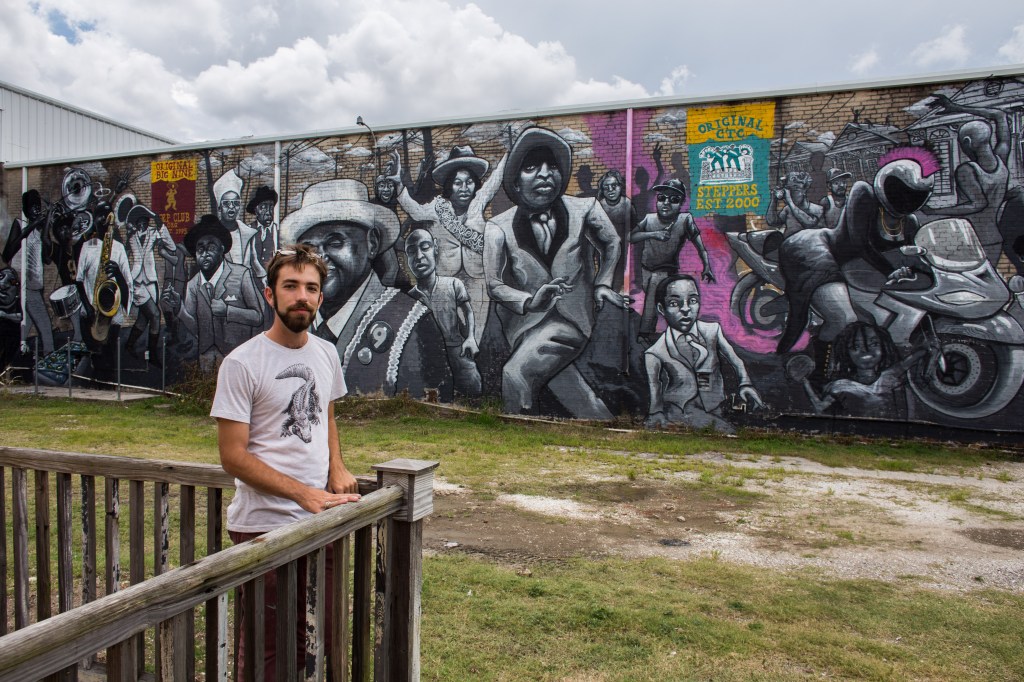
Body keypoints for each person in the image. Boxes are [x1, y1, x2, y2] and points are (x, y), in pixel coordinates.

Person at [211, 244, 360, 680]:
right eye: (290, 286)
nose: (302, 297)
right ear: (269, 294)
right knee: (266, 649)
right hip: (264, 526)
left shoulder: (326, 353)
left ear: (320, 297)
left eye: (311, 288)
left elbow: (326, 413)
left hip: (319, 521)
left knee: (318, 636)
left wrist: (336, 466)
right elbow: (232, 456)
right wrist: (304, 493)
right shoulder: (242, 364)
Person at [484, 126, 625, 418]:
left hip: (573, 319)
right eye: (532, 167)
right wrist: (530, 301)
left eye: (552, 166)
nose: (545, 174)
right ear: (516, 181)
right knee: (578, 398)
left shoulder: (584, 208)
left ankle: (519, 444)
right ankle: (602, 425)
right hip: (523, 327)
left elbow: (611, 242)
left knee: (515, 375)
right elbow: (494, 285)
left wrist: (602, 283)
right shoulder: (497, 227)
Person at [280, 179, 451, 400]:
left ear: (372, 243)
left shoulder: (412, 323)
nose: (320, 259)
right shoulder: (293, 323)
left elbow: (426, 422)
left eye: (335, 243)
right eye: (310, 248)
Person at [776, 149, 937, 355]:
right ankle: (819, 374)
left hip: (856, 269)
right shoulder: (864, 195)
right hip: (817, 251)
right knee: (842, 318)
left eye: (914, 195)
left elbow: (909, 255)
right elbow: (859, 243)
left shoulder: (910, 223)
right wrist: (891, 271)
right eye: (901, 191)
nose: (906, 199)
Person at [389, 145, 507, 344]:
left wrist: (513, 149)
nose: (464, 188)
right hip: (446, 281)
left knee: (474, 337)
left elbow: (495, 180)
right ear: (449, 185)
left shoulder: (478, 204)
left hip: (476, 280)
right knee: (447, 336)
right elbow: (415, 211)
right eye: (458, 183)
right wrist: (399, 186)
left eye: (469, 182)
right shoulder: (438, 208)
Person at [644, 274, 763, 432]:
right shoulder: (655, 352)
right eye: (674, 303)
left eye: (692, 300)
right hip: (680, 410)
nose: (686, 309)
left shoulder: (712, 331)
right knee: (727, 432)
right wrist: (655, 412)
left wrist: (745, 383)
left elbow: (735, 360)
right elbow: (655, 386)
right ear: (661, 309)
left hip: (715, 406)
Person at [161, 215, 264, 371]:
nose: (205, 253)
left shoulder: (241, 274)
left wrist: (228, 311)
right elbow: (196, 328)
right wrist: (179, 309)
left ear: (222, 249)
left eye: (211, 247)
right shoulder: (193, 285)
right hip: (207, 357)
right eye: (200, 248)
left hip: (238, 356)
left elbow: (257, 317)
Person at [921, 93, 1011, 268]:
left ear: (967, 142)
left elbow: (977, 204)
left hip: (971, 238)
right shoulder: (1002, 159)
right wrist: (956, 107)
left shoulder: (967, 170)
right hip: (993, 237)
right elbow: (999, 115)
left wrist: (933, 212)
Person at [630, 178, 713, 340]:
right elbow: (631, 236)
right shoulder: (649, 219)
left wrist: (707, 266)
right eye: (662, 198)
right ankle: (675, 332)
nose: (666, 203)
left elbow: (700, 246)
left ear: (681, 203)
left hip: (666, 271)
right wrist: (653, 234)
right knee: (658, 301)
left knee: (655, 291)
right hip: (646, 269)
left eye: (673, 200)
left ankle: (644, 333)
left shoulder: (684, 220)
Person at [405, 228, 481, 397]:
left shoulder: (453, 284)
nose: (419, 256)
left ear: (436, 249)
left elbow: (468, 311)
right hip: (427, 356)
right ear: (407, 258)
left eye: (425, 247)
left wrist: (470, 338)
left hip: (457, 350)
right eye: (411, 251)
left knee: (473, 389)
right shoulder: (410, 297)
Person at [797, 321, 927, 418]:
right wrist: (805, 382)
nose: (866, 352)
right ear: (846, 352)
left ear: (884, 346)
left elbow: (909, 361)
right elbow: (821, 407)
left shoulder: (889, 377)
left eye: (874, 344)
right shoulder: (839, 386)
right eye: (855, 346)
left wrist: (928, 348)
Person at [2, 190, 54, 356]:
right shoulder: (20, 224)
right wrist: (32, 224)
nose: (36, 210)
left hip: (34, 286)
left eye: (38, 207)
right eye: (33, 207)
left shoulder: (39, 232)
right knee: (45, 325)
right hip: (24, 285)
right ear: (26, 209)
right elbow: (7, 253)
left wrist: (47, 221)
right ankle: (50, 357)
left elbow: (47, 257)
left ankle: (9, 360)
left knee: (25, 326)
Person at [123, 202, 175, 365]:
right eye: (138, 221)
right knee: (155, 315)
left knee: (143, 319)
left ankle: (129, 345)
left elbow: (171, 245)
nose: (141, 224)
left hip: (151, 282)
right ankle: (152, 354)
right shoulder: (131, 237)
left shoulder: (154, 232)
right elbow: (123, 256)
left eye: (144, 220)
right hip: (137, 283)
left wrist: (159, 222)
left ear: (147, 220)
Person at [214, 169, 266, 285]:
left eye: (236, 203)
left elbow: (254, 260)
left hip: (244, 286)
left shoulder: (247, 233)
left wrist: (264, 277)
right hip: (222, 287)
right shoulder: (213, 234)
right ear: (219, 207)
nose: (231, 207)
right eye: (227, 203)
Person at [596, 169, 636, 292]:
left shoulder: (626, 204)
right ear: (602, 190)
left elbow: (634, 223)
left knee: (619, 271)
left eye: (614, 186)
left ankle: (614, 292)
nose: (611, 190)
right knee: (604, 270)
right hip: (603, 247)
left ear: (620, 186)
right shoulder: (599, 206)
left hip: (622, 246)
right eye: (606, 187)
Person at [764, 171, 823, 237]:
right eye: (789, 190)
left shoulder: (817, 209)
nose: (791, 194)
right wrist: (773, 200)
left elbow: (809, 223)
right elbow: (772, 222)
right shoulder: (788, 209)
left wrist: (790, 201)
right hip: (789, 245)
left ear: (804, 190)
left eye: (795, 190)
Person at [245, 184, 280, 271]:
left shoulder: (278, 232)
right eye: (263, 207)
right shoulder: (248, 231)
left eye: (271, 207)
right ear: (256, 210)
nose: (268, 212)